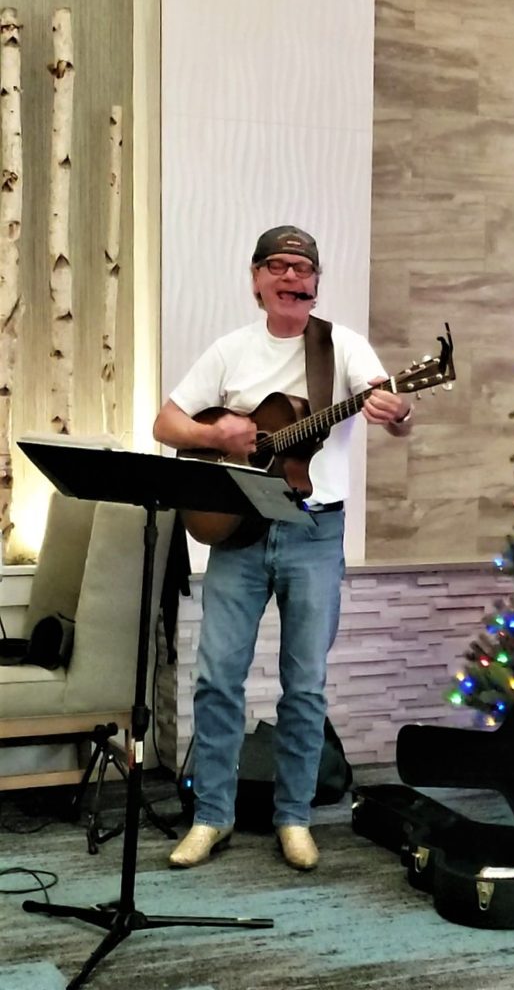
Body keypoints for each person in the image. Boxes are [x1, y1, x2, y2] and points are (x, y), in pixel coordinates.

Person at [153, 225, 412, 870]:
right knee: (217, 679)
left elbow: (394, 412)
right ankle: (211, 816)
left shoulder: (342, 348)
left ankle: (294, 818)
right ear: (256, 280)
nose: (292, 278)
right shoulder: (230, 350)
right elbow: (166, 423)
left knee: (305, 685)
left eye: (303, 268)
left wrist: (398, 412)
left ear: (316, 284)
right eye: (278, 266)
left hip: (313, 534)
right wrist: (222, 440)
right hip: (237, 532)